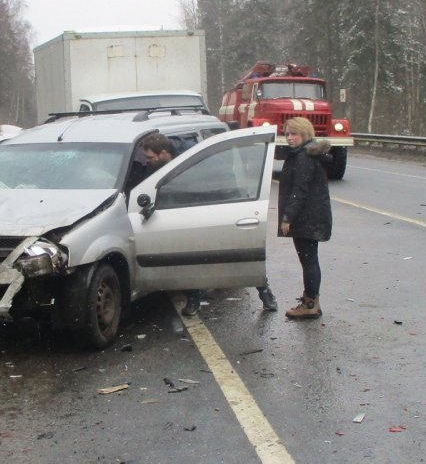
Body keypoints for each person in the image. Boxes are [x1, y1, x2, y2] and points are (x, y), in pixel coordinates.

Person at [137, 133, 278, 317]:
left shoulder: (193, 157)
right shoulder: (164, 163)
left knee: (238, 254)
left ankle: (265, 294)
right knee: (188, 258)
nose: (147, 161)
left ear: (163, 152)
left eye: (150, 157)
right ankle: (194, 299)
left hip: (216, 208)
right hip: (189, 213)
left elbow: (219, 181)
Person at [276, 116, 333, 319]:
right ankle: (311, 300)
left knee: (308, 262)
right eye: (287, 134)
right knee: (310, 261)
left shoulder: (304, 157)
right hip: (311, 216)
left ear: (305, 134)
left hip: (307, 218)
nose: (289, 138)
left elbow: (298, 190)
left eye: (294, 134)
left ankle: (310, 304)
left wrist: (287, 218)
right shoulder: (304, 153)